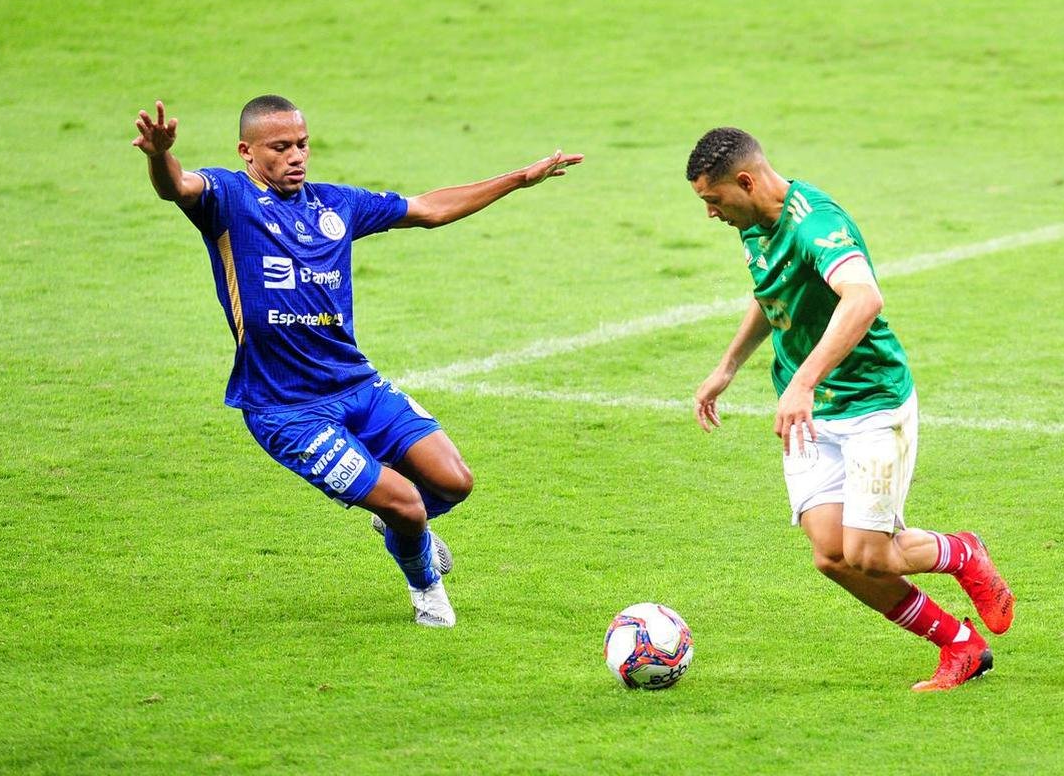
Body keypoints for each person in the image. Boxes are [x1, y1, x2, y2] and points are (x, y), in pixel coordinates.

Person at [132, 96, 582, 628]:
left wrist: (517, 179)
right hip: (287, 409)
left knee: (454, 482)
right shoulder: (228, 198)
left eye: (302, 144)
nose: (296, 156)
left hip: (357, 385)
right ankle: (427, 593)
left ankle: (402, 529)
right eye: (280, 147)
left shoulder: (335, 206)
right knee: (409, 504)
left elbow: (429, 209)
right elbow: (177, 187)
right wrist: (160, 156)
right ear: (246, 151)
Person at [686, 127, 1014, 691]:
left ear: (746, 181)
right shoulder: (755, 226)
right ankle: (959, 645)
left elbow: (864, 297)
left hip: (869, 403)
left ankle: (962, 552)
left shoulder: (817, 224)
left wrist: (804, 382)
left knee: (868, 554)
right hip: (812, 413)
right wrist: (728, 366)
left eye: (714, 201)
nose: (711, 214)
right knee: (832, 556)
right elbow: (773, 294)